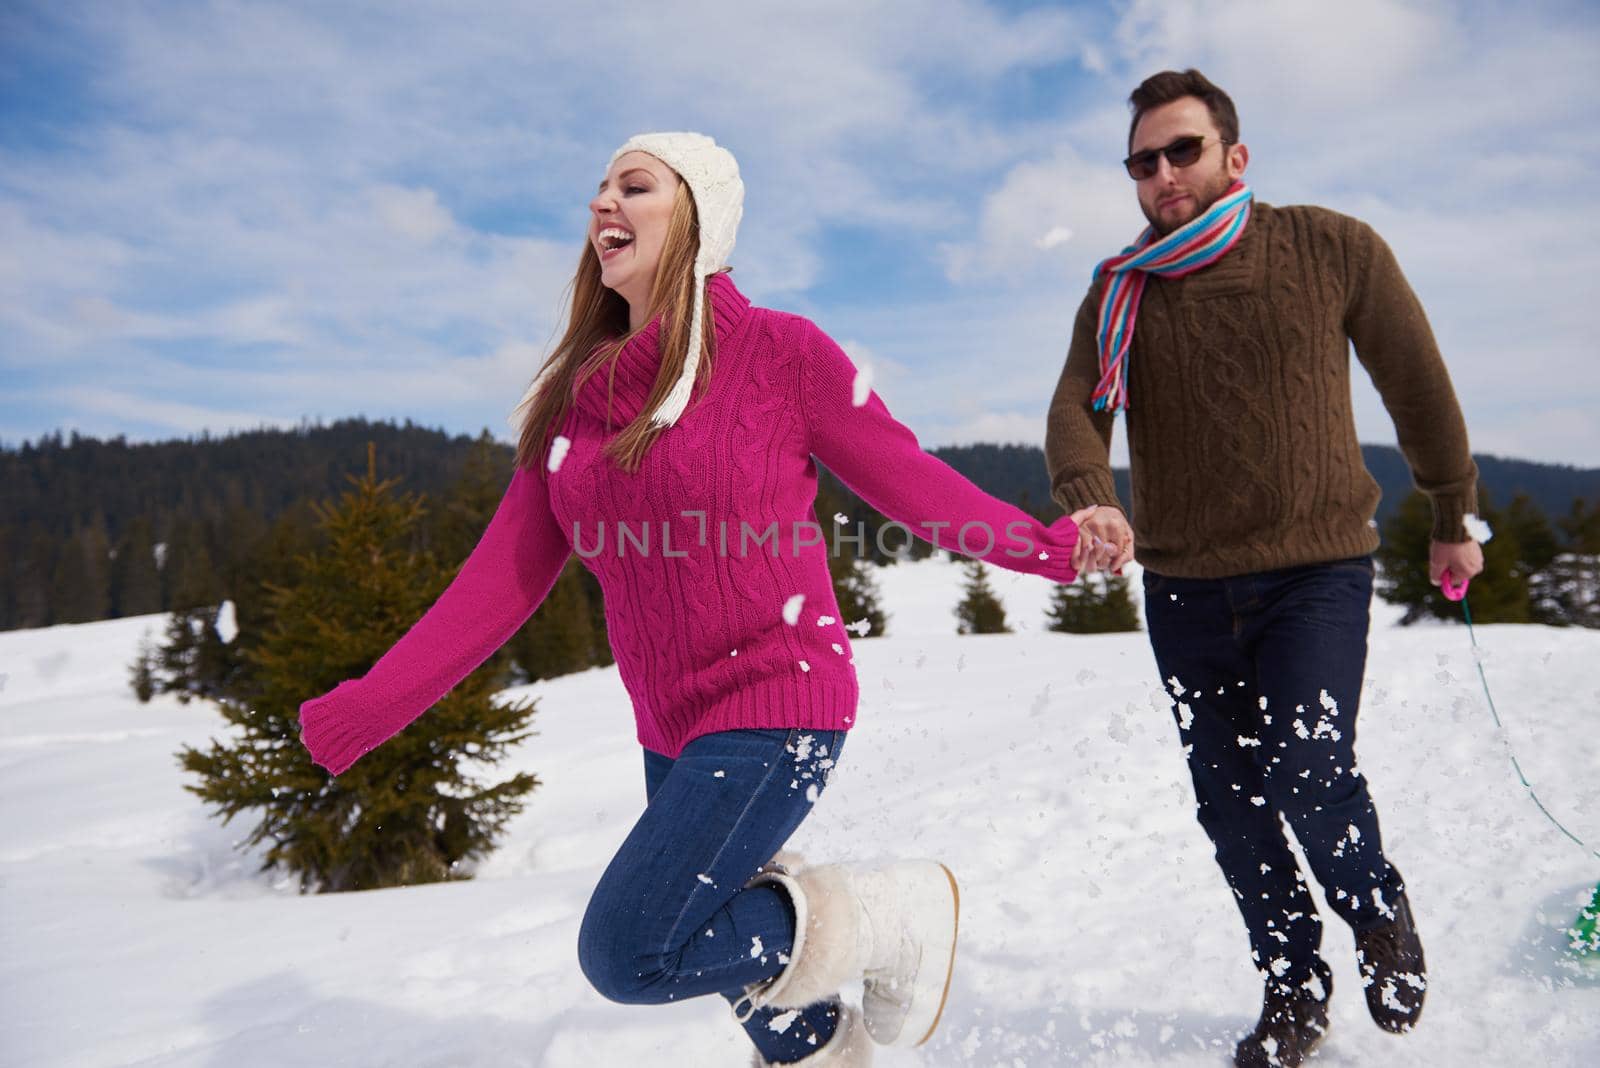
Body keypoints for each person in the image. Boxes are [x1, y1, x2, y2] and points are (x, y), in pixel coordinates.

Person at [300, 132, 1085, 1067]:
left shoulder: (781, 353)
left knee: (632, 950)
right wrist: (364, 709)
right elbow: (498, 585)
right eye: (597, 190)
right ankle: (822, 1053)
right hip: (669, 725)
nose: (603, 206)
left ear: (699, 218)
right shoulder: (568, 406)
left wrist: (1049, 549)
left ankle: (883, 914)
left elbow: (908, 480)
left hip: (779, 696)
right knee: (741, 975)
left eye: (634, 186)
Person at [1044, 70, 1484, 1068]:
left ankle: (1376, 913)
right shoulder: (1122, 291)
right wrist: (1089, 493)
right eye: (1142, 161)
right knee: (1227, 797)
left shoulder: (1331, 248)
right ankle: (1292, 983)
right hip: (1183, 585)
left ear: (1234, 157)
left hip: (1315, 567)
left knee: (1307, 762)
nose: (1162, 174)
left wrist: (1451, 509)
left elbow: (1414, 383)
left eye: (1181, 150)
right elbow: (1076, 407)